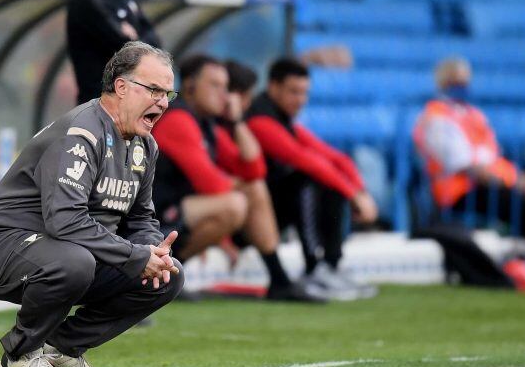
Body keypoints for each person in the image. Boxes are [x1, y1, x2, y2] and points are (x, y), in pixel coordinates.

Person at [0, 41, 184, 367]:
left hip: (68, 247)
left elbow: (140, 218)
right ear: (121, 87)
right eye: (153, 89)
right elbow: (65, 219)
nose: (161, 102)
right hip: (0, 245)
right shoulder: (81, 133)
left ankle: (61, 350)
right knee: (74, 262)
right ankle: (20, 355)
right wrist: (133, 254)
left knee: (167, 275)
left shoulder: (145, 145)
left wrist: (152, 250)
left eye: (167, 94)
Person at [152, 54, 328, 302]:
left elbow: (255, 171)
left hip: (179, 211)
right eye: (215, 86)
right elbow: (210, 184)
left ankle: (279, 279)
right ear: (190, 86)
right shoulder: (178, 119)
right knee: (235, 203)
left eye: (226, 88)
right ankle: (159, 276)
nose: (225, 96)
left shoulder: (207, 123)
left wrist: (236, 122)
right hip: (153, 216)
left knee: (251, 189)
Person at [246, 57, 378, 300]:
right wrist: (354, 196)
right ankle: (314, 267)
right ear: (273, 87)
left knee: (326, 178)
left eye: (304, 93)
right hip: (252, 215)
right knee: (308, 179)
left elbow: (338, 159)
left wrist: (360, 192)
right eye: (294, 92)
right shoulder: (259, 120)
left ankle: (330, 265)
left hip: (270, 208)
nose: (301, 100)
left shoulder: (283, 120)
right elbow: (304, 160)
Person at [413, 57, 525, 237]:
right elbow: (464, 165)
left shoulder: (474, 115)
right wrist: (515, 181)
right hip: (460, 194)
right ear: (442, 83)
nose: (462, 86)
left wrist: (517, 178)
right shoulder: (436, 118)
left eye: (465, 81)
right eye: (456, 81)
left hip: (491, 186)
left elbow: (492, 157)